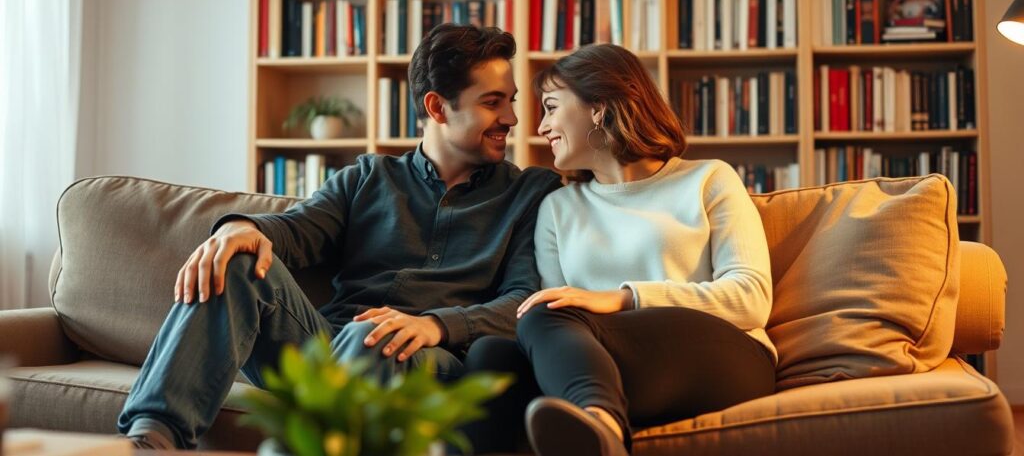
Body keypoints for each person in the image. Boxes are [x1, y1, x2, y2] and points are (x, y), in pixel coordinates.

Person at [116, 24, 562, 450]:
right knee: (237, 258)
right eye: (493, 102)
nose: (513, 117)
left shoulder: (528, 193)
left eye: (511, 101)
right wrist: (241, 227)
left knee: (377, 336)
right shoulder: (369, 177)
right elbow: (296, 230)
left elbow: (524, 300)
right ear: (437, 107)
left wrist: (435, 325)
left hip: (426, 361)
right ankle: (150, 441)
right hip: (330, 346)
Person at [463, 44, 777, 456]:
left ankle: (600, 422)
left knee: (547, 315)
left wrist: (621, 298)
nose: (541, 127)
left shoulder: (709, 180)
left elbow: (751, 298)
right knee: (492, 355)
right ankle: (595, 423)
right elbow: (558, 321)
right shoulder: (558, 208)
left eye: (552, 107)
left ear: (599, 106)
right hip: (609, 366)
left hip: (722, 357)